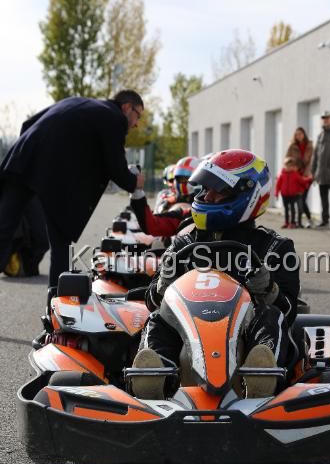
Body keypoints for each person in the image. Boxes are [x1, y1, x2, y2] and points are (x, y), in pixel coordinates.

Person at [130, 149, 300, 400]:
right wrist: (162, 285)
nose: (206, 195)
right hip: (187, 339)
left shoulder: (274, 248)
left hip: (241, 339)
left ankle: (261, 376)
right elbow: (152, 303)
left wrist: (269, 290)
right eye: (205, 188)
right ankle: (154, 378)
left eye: (217, 190)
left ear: (246, 195)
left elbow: (289, 311)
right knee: (158, 319)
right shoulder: (183, 245)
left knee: (271, 315)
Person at [0, 90, 145, 288]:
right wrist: (134, 181)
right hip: (50, 175)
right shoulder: (114, 118)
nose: (136, 123)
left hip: (23, 160)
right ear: (127, 107)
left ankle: (57, 298)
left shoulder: (78, 102)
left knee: (4, 227)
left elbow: (28, 124)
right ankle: (57, 304)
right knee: (61, 242)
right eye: (138, 115)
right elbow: (116, 167)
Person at [130, 156, 200, 238]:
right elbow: (151, 224)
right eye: (180, 178)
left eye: (186, 178)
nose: (183, 181)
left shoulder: (215, 213)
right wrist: (137, 191)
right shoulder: (184, 212)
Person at [285, 127, 314, 228]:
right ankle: (300, 221)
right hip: (296, 176)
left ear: (304, 134)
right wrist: (293, 168)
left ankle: (306, 220)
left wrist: (308, 173)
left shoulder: (309, 145)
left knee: (302, 199)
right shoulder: (292, 146)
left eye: (300, 134)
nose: (299, 136)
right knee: (299, 199)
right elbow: (287, 159)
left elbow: (312, 161)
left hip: (307, 176)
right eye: (297, 134)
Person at [275, 157, 312, 228]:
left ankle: (292, 223)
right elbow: (278, 185)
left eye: (291, 166)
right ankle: (286, 222)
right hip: (284, 195)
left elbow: (302, 180)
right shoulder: (282, 175)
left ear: (293, 167)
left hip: (292, 195)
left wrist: (309, 179)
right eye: (287, 166)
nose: (289, 167)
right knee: (286, 209)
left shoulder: (295, 174)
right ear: (285, 166)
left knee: (292, 209)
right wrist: (276, 194)